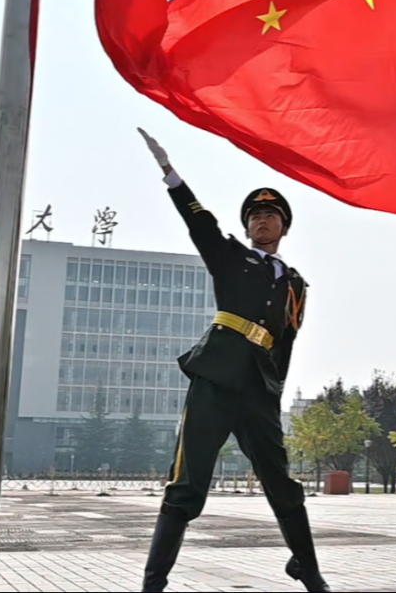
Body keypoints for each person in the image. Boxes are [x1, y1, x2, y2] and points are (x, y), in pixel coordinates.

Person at [136, 129, 330, 593]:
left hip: (259, 389)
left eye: (271, 215)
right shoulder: (229, 257)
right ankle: (153, 583)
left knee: (281, 482)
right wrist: (170, 174)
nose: (263, 220)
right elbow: (198, 221)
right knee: (187, 479)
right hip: (217, 376)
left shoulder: (295, 283)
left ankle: (309, 571)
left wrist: (275, 391)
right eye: (256, 216)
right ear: (247, 227)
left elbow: (285, 343)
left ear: (284, 228)